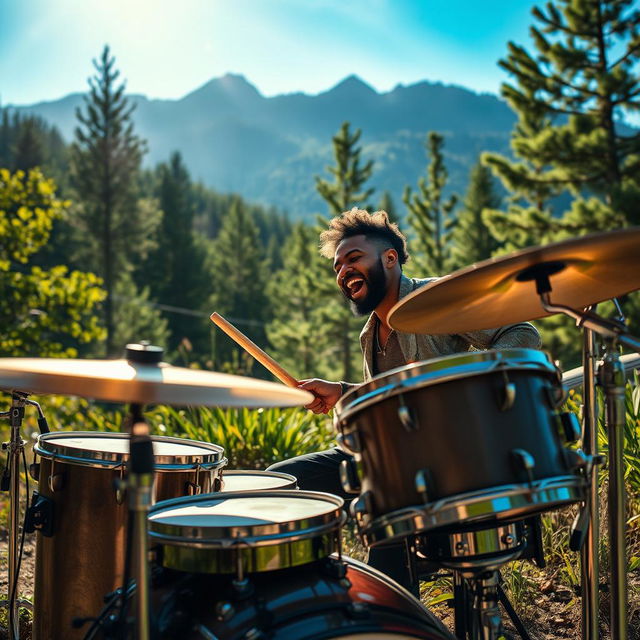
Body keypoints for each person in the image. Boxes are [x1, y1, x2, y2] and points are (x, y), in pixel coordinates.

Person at [268, 208, 541, 591]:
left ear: (390, 258)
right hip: (387, 459)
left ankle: (389, 613)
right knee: (279, 485)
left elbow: (522, 333)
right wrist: (343, 392)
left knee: (383, 576)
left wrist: (454, 381)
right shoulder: (370, 333)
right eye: (337, 267)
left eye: (353, 258)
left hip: (446, 463)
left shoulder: (435, 298)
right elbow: (389, 399)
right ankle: (305, 593)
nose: (343, 272)